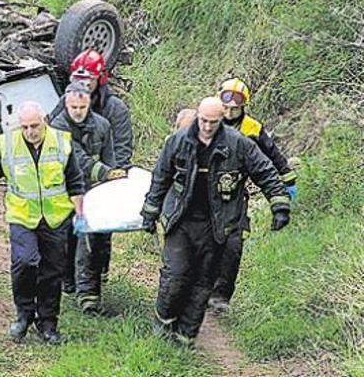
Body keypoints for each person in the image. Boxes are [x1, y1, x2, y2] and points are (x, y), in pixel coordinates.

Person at [141, 97, 291, 345]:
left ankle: (185, 338)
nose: (208, 127)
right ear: (197, 116)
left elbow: (266, 172)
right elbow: (161, 177)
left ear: (222, 120)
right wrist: (150, 212)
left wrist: (280, 207)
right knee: (175, 276)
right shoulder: (178, 142)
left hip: (218, 224)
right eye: (203, 121)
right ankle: (163, 325)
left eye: (213, 122)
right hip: (181, 220)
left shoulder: (239, 145)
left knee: (202, 284)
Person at [0, 102, 86, 343]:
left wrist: (80, 214)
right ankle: (24, 313)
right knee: (25, 261)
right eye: (25, 127)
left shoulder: (61, 143)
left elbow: (75, 182)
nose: (30, 131)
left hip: (54, 217)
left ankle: (48, 322)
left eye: (35, 125)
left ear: (45, 121)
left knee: (52, 272)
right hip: (22, 215)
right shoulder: (9, 145)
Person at [208, 78, 298, 313]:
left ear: (243, 107)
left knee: (232, 247)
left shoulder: (252, 129)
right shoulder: (207, 122)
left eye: (234, 109)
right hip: (204, 195)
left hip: (235, 196)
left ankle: (220, 297)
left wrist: (285, 187)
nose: (228, 113)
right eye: (225, 108)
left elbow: (271, 159)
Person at [48, 48, 133, 283]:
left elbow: (122, 149)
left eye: (88, 81)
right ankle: (68, 279)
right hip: (71, 180)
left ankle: (95, 277)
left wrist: (112, 178)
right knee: (66, 229)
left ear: (101, 79)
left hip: (102, 181)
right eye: (78, 80)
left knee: (99, 233)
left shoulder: (115, 109)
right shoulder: (65, 105)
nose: (83, 86)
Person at [48, 81, 125, 313]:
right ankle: (67, 281)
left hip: (93, 191)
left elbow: (109, 156)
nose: (78, 112)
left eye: (82, 107)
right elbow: (76, 158)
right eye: (73, 107)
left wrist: (110, 180)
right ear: (66, 104)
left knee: (91, 239)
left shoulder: (102, 125)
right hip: (63, 189)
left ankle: (88, 294)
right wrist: (106, 172)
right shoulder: (57, 126)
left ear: (89, 103)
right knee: (64, 238)